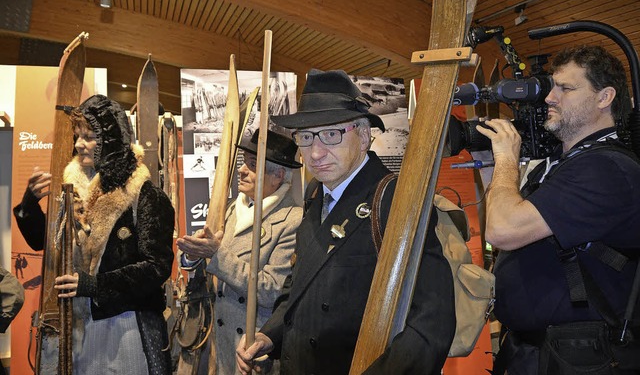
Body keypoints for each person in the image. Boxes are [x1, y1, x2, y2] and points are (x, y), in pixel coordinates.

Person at [235, 69, 455, 374]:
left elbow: (432, 321)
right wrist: (269, 336)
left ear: (363, 136)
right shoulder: (316, 194)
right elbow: (299, 285)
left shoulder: (395, 199)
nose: (315, 152)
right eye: (306, 136)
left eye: (331, 134)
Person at [477, 45, 640, 374]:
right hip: (540, 352)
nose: (550, 97)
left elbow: (503, 230)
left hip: (583, 357)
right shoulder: (561, 165)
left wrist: (507, 160)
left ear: (604, 97)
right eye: (552, 87)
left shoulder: (606, 168)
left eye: (566, 88)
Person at [13, 94, 175, 374]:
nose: (78, 144)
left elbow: (156, 267)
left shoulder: (145, 195)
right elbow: (45, 242)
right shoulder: (71, 192)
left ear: (109, 140)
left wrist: (94, 285)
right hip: (82, 326)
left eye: (88, 137)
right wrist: (29, 205)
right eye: (77, 136)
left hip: (127, 327)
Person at [176, 129, 304, 374]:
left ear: (278, 175)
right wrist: (195, 256)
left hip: (254, 349)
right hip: (223, 345)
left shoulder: (292, 221)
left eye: (253, 165)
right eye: (244, 162)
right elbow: (220, 272)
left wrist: (217, 254)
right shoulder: (237, 208)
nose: (243, 170)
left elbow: (272, 291)